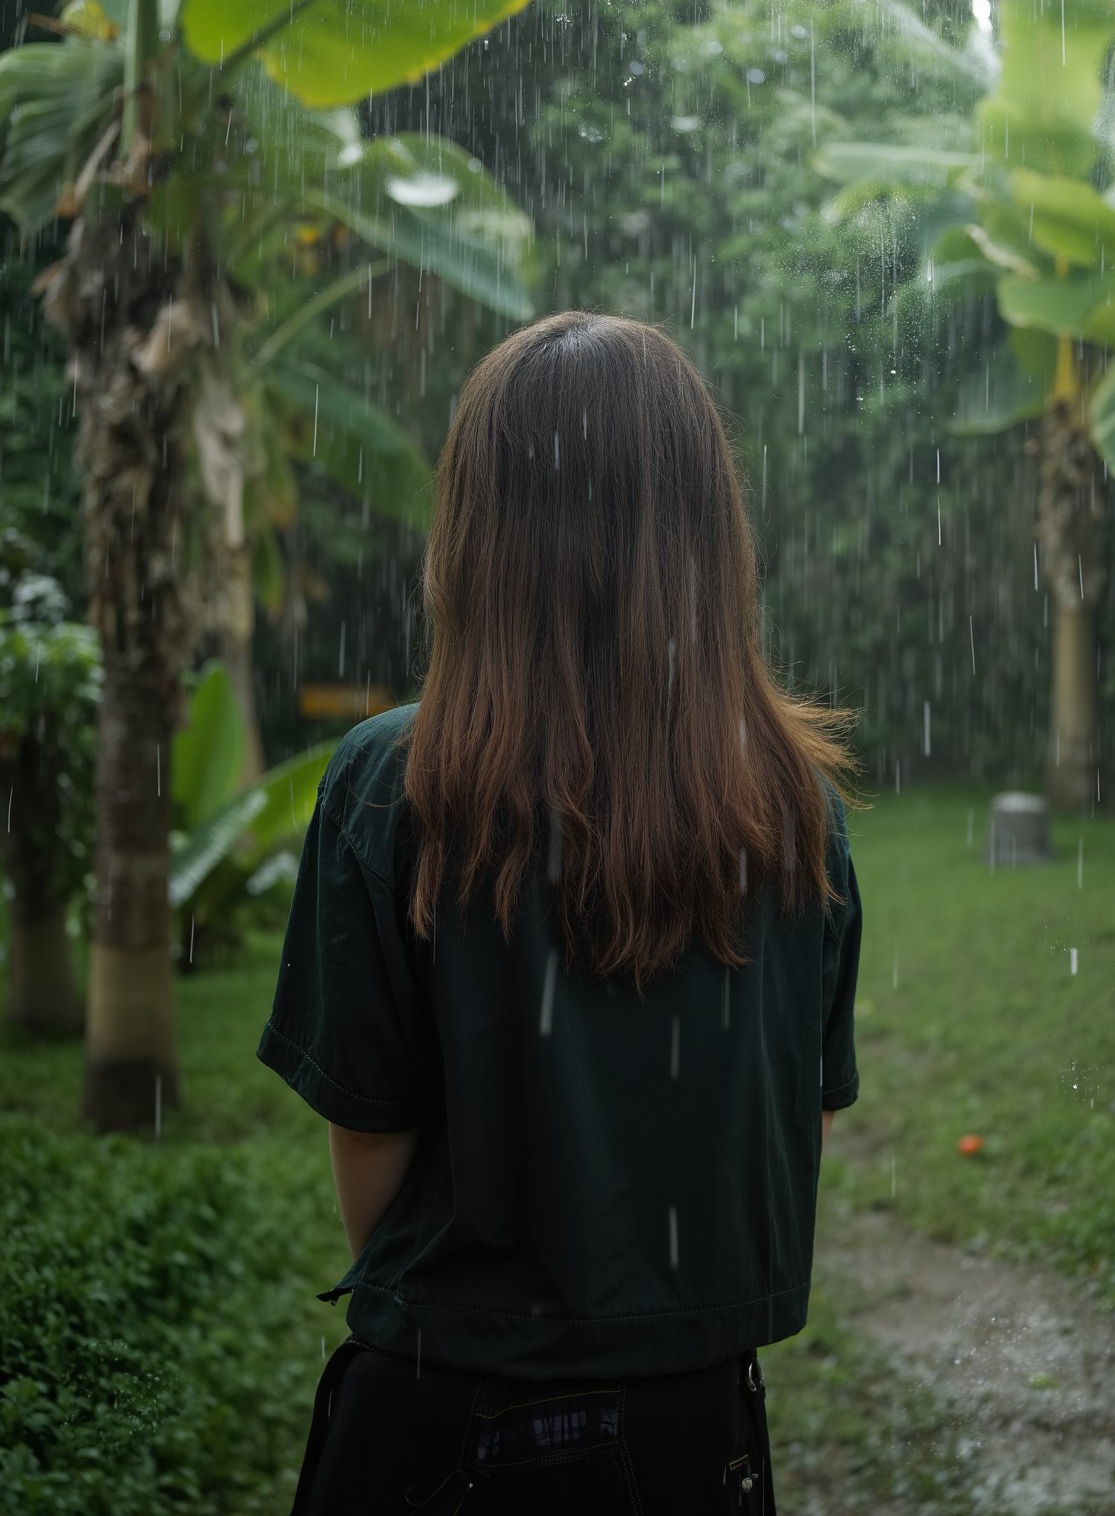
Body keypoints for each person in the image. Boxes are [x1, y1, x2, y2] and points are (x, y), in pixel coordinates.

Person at [257, 310, 863, 1515]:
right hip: (697, 1429)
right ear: (703, 531)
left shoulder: (393, 786)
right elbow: (796, 1117)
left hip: (437, 1421)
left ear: (477, 528)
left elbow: (367, 1142)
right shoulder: (794, 806)